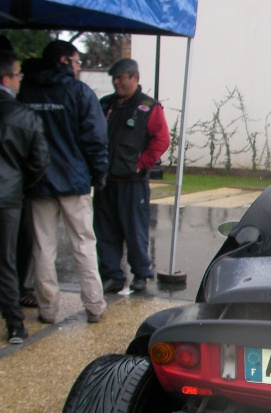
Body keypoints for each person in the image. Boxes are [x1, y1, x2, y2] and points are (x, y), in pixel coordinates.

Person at [18, 40, 108, 324]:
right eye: (77, 61)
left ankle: (47, 309)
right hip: (74, 181)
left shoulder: (26, 92)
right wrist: (99, 173)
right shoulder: (78, 91)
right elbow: (95, 138)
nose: (79, 66)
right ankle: (94, 306)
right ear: (64, 61)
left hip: (37, 182)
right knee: (83, 243)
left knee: (43, 247)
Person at [95, 58, 169, 293]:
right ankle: (112, 276)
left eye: (121, 78)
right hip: (106, 181)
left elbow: (162, 140)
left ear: (134, 78)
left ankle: (140, 274)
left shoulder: (149, 106)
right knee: (105, 233)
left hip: (132, 183)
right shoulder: (106, 105)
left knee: (135, 231)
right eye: (114, 78)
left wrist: (141, 163)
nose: (116, 82)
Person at [0, 50, 50, 343]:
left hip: (11, 191)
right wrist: (21, 184)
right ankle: (15, 323)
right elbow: (39, 161)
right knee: (6, 261)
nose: (21, 80)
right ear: (7, 78)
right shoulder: (24, 115)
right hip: (9, 195)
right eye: (18, 75)